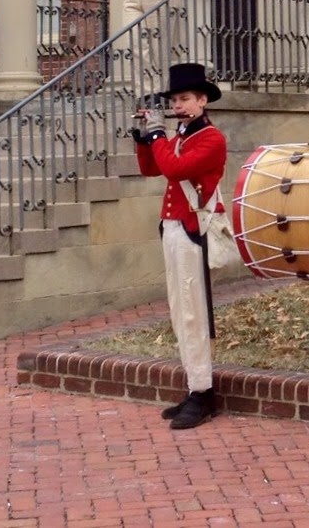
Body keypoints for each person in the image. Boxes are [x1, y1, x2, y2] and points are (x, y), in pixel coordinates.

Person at [132, 62, 227, 430]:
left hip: (193, 230)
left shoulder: (210, 138)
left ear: (203, 100)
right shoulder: (183, 134)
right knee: (179, 309)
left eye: (185, 99)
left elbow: (174, 169)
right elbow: (151, 169)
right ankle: (194, 386)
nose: (178, 105)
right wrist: (144, 138)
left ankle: (203, 392)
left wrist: (157, 136)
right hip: (174, 228)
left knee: (193, 311)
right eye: (175, 99)